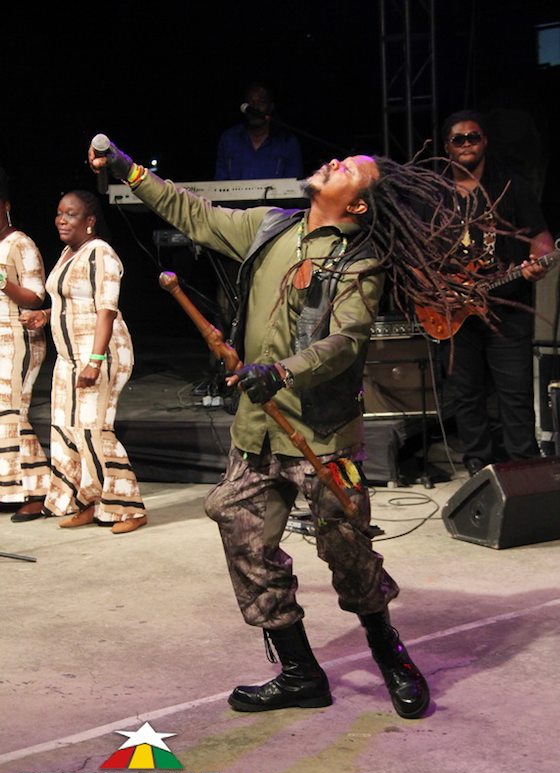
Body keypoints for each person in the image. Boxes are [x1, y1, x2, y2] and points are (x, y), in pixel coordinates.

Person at [89, 136, 490, 719]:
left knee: (347, 549)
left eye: (350, 168)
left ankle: (390, 654)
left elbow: (346, 340)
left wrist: (281, 371)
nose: (337, 161)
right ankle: (301, 673)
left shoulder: (360, 261)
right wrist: (127, 169)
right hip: (256, 429)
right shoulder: (270, 228)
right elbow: (191, 213)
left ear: (357, 204)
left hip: (321, 436)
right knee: (243, 536)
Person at [20, 191, 147, 534]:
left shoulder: (100, 253)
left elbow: (106, 310)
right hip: (68, 355)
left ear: (89, 220)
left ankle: (129, 507)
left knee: (94, 428)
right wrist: (45, 315)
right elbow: (72, 303)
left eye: (71, 214)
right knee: (66, 428)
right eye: (59, 213)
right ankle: (89, 501)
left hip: (99, 353)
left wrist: (95, 360)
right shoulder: (68, 253)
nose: (61, 220)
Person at [440, 110, 555, 476]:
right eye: (458, 139)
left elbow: (540, 237)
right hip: (455, 312)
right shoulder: (434, 194)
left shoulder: (510, 185)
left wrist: (538, 261)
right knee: (466, 393)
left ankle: (524, 469)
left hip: (508, 306)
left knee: (515, 393)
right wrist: (434, 289)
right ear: (447, 147)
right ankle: (478, 467)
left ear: (485, 141)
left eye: (473, 137)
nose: (467, 144)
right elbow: (415, 252)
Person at [0, 167, 51, 523]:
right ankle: (11, 488)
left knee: (14, 413)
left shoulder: (21, 243)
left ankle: (37, 492)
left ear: (5, 205)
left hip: (19, 340)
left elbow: (36, 297)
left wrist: (2, 280)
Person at [215, 82, 304, 181]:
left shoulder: (287, 141)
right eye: (251, 102)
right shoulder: (229, 139)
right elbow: (220, 183)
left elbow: (293, 184)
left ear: (271, 107)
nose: (255, 108)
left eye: (261, 102)